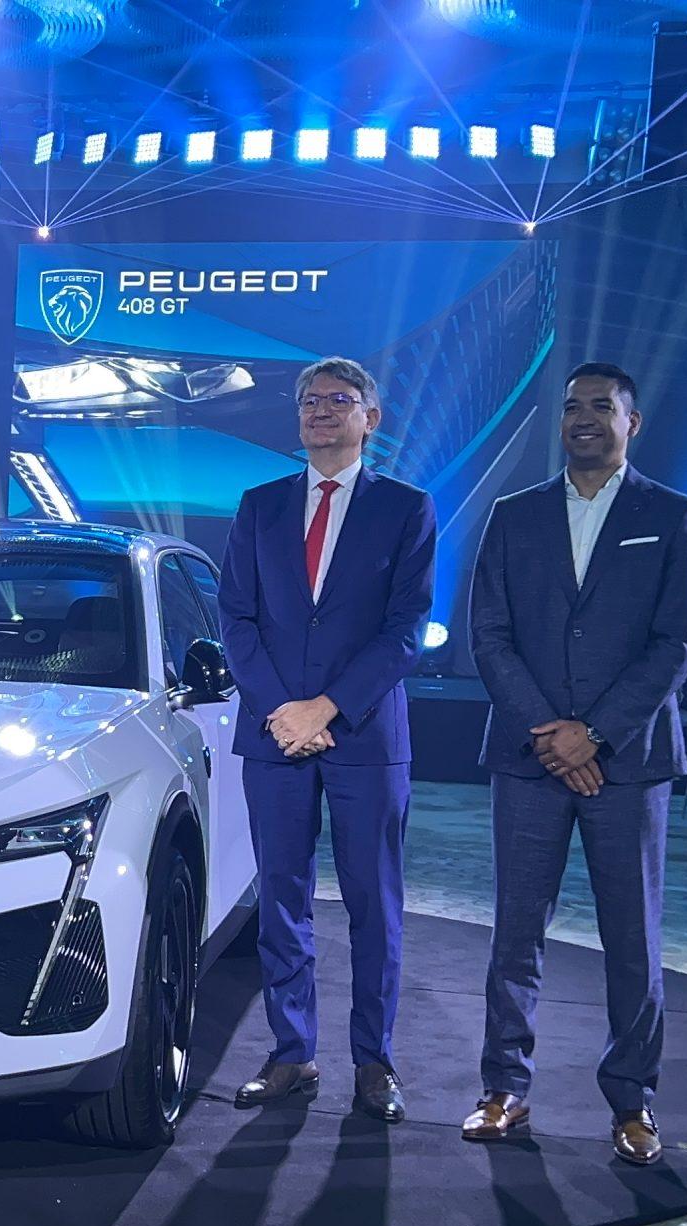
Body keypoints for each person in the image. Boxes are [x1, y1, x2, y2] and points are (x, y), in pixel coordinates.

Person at [466, 361, 687, 1166]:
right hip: (530, 756)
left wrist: (594, 734)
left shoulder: (672, 515)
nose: (583, 418)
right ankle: (504, 1090)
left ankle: (632, 1103)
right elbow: (489, 635)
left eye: (601, 406)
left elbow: (675, 643)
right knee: (515, 934)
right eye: (572, 405)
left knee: (632, 940)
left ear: (631, 422)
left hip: (628, 763)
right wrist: (550, 732)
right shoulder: (514, 515)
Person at [213, 357, 435, 1120]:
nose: (321, 410)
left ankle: (374, 1062)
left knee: (374, 904)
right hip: (275, 734)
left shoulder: (405, 508)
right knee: (282, 900)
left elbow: (406, 630)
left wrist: (328, 709)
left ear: (371, 418)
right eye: (310, 400)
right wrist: (282, 709)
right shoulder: (260, 505)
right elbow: (236, 617)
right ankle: (292, 1053)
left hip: (365, 736)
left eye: (340, 399)